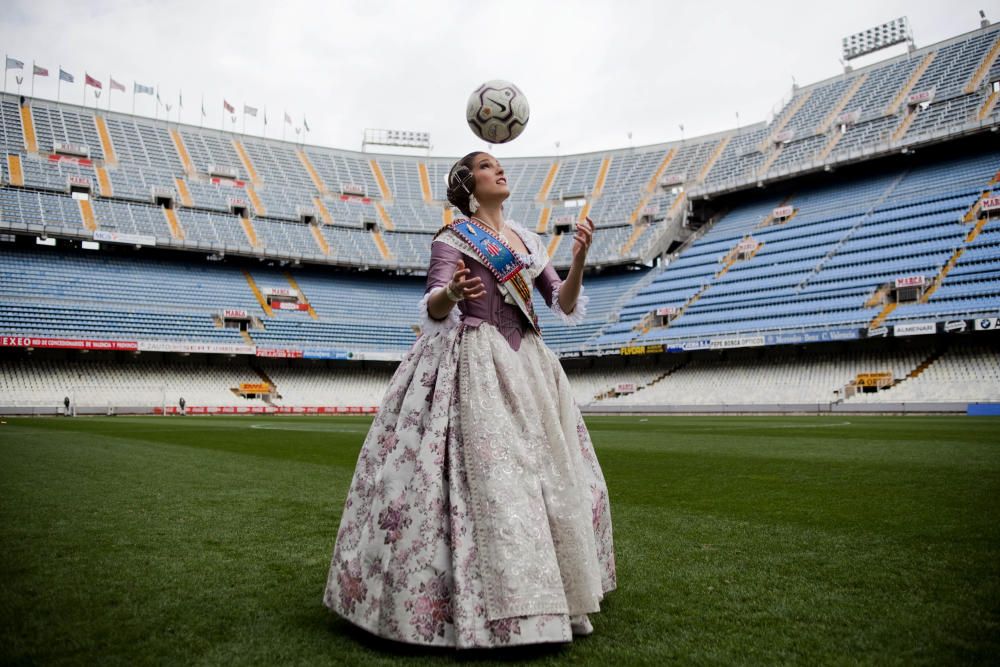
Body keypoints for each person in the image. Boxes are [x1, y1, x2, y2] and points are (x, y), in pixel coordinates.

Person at [324, 151, 615, 648]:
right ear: (467, 185)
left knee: (547, 479)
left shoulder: (526, 240)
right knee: (495, 482)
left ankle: (549, 597)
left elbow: (561, 303)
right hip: (476, 360)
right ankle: (494, 609)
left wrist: (580, 259)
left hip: (531, 367)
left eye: (498, 164)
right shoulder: (451, 238)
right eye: (485, 166)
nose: (498, 170)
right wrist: (453, 294)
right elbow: (434, 303)